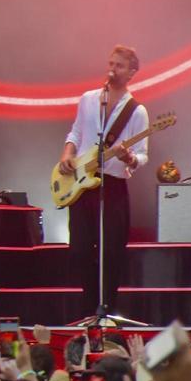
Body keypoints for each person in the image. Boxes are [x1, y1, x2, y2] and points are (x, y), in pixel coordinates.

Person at [57, 45, 148, 311]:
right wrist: (67, 154)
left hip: (113, 187)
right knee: (80, 250)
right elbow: (75, 133)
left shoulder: (136, 111)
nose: (112, 69)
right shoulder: (88, 99)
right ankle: (88, 307)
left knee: (111, 252)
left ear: (131, 73)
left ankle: (106, 307)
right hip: (82, 186)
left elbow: (142, 156)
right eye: (111, 63)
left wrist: (129, 158)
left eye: (119, 65)